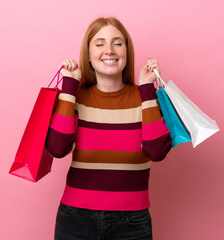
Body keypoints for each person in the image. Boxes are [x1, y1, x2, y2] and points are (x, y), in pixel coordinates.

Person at [45, 17, 172, 240]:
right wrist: (69, 85)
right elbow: (57, 148)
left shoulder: (145, 96)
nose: (109, 50)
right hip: (76, 220)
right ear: (88, 53)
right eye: (100, 43)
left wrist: (146, 87)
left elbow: (156, 151)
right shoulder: (75, 95)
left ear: (127, 51)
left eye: (117, 43)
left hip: (132, 222)